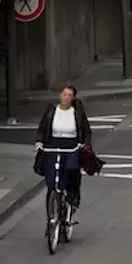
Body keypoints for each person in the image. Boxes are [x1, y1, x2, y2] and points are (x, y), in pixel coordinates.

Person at [34, 84, 93, 212]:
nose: (66, 98)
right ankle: (51, 218)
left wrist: (85, 145)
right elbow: (42, 129)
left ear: (73, 98)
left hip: (71, 146)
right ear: (60, 96)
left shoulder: (77, 113)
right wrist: (39, 142)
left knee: (72, 171)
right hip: (53, 146)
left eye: (69, 95)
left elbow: (86, 131)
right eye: (64, 94)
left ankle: (71, 199)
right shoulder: (51, 110)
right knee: (52, 180)